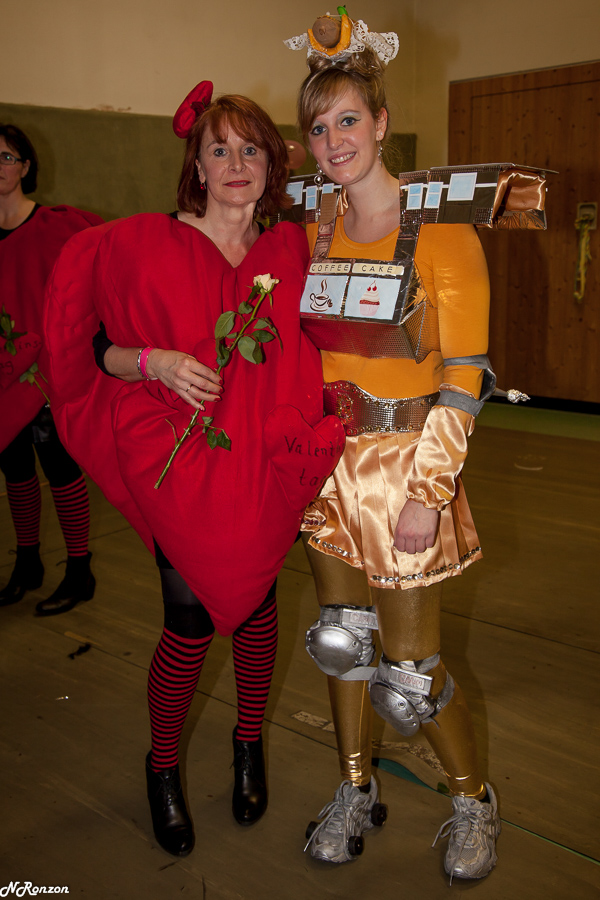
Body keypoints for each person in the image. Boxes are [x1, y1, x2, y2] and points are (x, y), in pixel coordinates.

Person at [43, 83, 344, 858]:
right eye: (220, 150)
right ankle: (163, 767)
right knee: (186, 621)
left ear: (271, 164)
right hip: (179, 465)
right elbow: (95, 350)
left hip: (265, 465)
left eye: (251, 150)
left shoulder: (294, 250)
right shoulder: (141, 243)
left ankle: (248, 744)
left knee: (257, 607)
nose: (236, 163)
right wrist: (158, 362)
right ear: (198, 167)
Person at [285, 10, 501, 883]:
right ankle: (352, 785)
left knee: (410, 673)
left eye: (348, 120)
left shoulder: (443, 231)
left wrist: (429, 490)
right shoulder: (313, 227)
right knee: (342, 639)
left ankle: (472, 798)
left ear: (380, 122)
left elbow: (467, 373)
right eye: (317, 127)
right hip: (327, 468)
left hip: (408, 468)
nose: (333, 141)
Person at [0, 125, 102, 615]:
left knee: (59, 467)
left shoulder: (57, 225)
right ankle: (27, 563)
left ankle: (79, 569)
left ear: (25, 166)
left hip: (45, 373)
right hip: (3, 374)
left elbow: (103, 266)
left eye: (7, 157)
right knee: (14, 468)